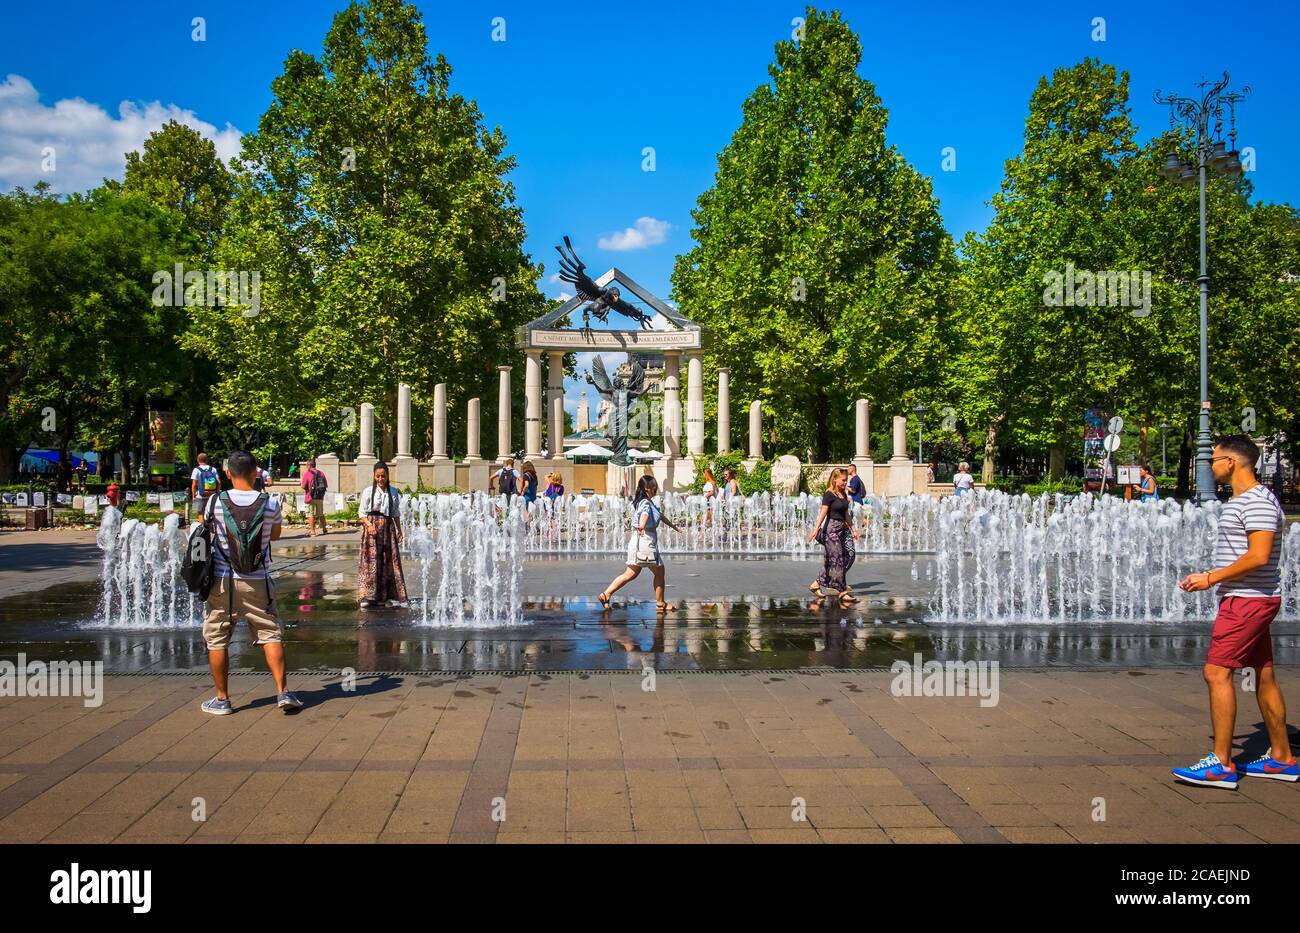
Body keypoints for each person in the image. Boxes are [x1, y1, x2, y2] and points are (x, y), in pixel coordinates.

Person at [1173, 435, 1293, 789]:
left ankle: (1221, 765)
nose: (1210, 466)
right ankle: (1282, 757)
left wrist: (1210, 578)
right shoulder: (1248, 500)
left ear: (1232, 463)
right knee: (1263, 674)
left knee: (1216, 673)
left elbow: (1258, 556)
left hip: (1248, 600)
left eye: (1214, 459)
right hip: (1249, 598)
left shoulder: (1257, 502)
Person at [198, 450, 301, 715]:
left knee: (217, 638)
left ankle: (222, 699)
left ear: (228, 473)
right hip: (258, 580)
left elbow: (201, 535)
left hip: (221, 581)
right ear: (256, 472)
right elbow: (275, 536)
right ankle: (283, 692)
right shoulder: (270, 503)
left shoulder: (213, 503)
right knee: (270, 633)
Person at [597, 475, 681, 614]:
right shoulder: (646, 504)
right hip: (645, 542)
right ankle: (660, 603)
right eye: (654, 486)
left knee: (630, 574)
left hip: (638, 541)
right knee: (660, 572)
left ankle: (606, 594)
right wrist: (641, 526)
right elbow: (644, 515)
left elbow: (660, 516)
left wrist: (674, 527)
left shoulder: (645, 501)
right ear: (646, 488)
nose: (656, 489)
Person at [807, 468, 860, 607]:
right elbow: (823, 513)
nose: (845, 483)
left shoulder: (843, 494)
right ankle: (842, 591)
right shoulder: (828, 494)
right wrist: (815, 529)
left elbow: (846, 514)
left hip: (842, 530)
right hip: (830, 531)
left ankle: (816, 584)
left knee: (834, 560)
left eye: (846, 480)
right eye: (843, 480)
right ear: (835, 479)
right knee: (838, 559)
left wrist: (853, 529)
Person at [357, 462, 407, 609]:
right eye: (377, 476)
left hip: (387, 527)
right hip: (372, 527)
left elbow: (395, 513)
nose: (380, 479)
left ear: (388, 476)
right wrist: (369, 525)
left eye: (383, 476)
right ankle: (367, 595)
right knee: (370, 562)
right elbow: (361, 513)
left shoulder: (393, 492)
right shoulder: (368, 491)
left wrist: (399, 530)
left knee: (387, 561)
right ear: (374, 476)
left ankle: (382, 596)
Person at [300, 458, 329, 536]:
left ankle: (312, 532)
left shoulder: (307, 474)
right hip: (319, 497)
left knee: (310, 514)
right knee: (321, 514)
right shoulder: (321, 473)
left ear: (309, 465)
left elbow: (303, 486)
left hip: (310, 497)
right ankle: (325, 529)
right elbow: (325, 485)